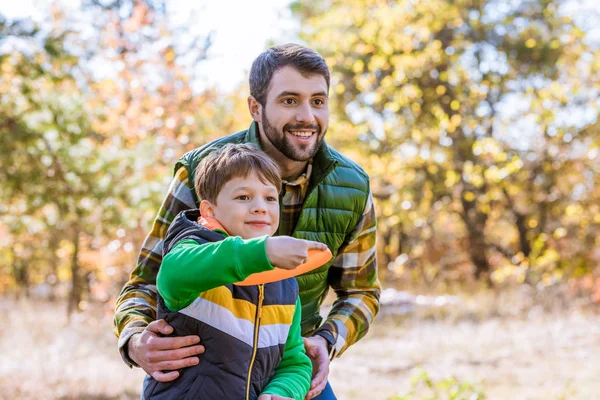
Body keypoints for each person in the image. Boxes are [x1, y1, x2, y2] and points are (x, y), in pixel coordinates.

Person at [114, 43, 380, 400]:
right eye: (289, 101)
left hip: (286, 364)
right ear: (255, 107)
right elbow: (149, 277)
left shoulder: (352, 185)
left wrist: (327, 339)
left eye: (318, 101)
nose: (307, 116)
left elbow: (362, 291)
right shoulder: (205, 171)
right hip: (206, 368)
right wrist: (134, 339)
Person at [142, 143, 319, 399]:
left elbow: (294, 361)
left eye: (270, 198)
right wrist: (263, 252)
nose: (260, 207)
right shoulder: (195, 250)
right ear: (209, 210)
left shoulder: (285, 283)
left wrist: (283, 391)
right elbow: (173, 273)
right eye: (243, 197)